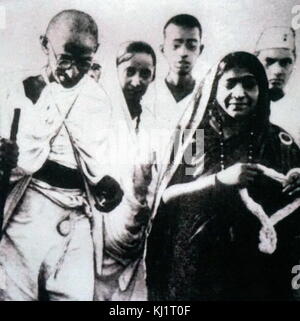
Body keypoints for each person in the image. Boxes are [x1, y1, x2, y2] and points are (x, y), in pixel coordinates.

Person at [146, 51, 300, 301]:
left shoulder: (279, 142)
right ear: (213, 89)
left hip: (258, 274)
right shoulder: (192, 139)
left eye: (249, 84)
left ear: (261, 90)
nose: (239, 93)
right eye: (229, 83)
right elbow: (167, 197)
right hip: (196, 268)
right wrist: (219, 181)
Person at [0, 9, 122, 301]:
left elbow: (98, 163)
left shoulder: (98, 101)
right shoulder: (18, 91)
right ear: (45, 45)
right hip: (26, 215)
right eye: (65, 59)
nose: (73, 71)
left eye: (85, 62)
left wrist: (107, 183)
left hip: (76, 217)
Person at [94, 41, 158, 301]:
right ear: (116, 70)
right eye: (130, 71)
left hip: (135, 236)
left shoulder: (154, 122)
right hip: (99, 231)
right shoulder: (98, 115)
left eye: (145, 74)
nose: (137, 80)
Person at [153, 14, 204, 154]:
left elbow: (196, 152)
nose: (183, 53)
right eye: (176, 46)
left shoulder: (205, 96)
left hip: (191, 172)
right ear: (163, 49)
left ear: (200, 49)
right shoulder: (148, 94)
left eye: (191, 46)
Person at [255, 26, 300, 145]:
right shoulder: (234, 101)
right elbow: (200, 134)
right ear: (255, 61)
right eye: (269, 61)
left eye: (285, 62)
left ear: (294, 63)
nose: (278, 71)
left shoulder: (296, 114)